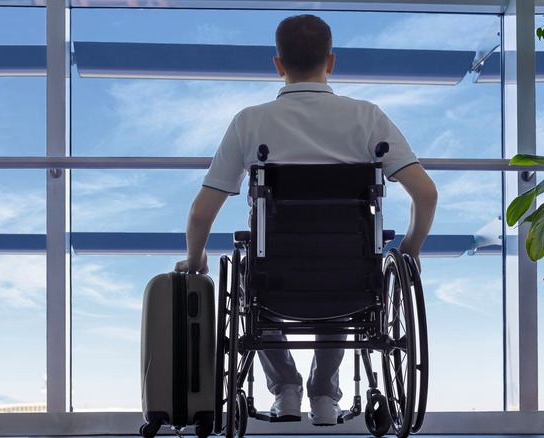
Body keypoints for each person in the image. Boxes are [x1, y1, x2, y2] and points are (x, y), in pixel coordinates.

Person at [175, 14, 437, 426]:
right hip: (352, 284)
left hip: (275, 284)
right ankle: (323, 395)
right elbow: (426, 193)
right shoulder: (368, 118)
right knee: (344, 272)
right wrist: (410, 249)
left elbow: (200, 212)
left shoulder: (249, 122)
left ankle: (286, 390)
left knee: (251, 280)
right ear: (330, 62)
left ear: (278, 65)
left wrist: (195, 258)